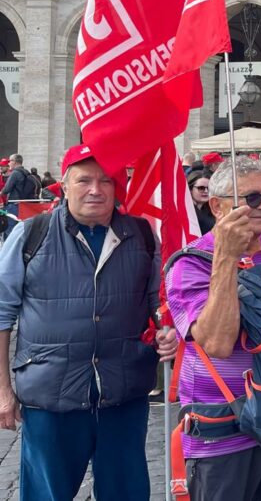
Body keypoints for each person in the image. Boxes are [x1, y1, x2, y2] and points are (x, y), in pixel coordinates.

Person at [0, 144, 177, 500]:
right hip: (51, 395)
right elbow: (2, 312)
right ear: (64, 186)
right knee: (46, 494)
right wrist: (3, 391)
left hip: (123, 394)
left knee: (125, 492)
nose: (95, 189)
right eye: (84, 180)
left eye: (105, 181)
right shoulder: (31, 234)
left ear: (116, 187)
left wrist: (166, 330)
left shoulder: (141, 235)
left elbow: (157, 304)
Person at [166, 157, 261, 500]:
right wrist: (226, 258)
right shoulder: (189, 263)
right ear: (217, 205)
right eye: (251, 198)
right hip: (221, 434)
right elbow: (217, 342)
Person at [2, 154, 39, 238]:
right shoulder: (26, 172)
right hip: (23, 204)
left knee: (10, 228)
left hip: (13, 204)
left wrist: (1, 193)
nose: (9, 163)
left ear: (15, 162)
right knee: (20, 228)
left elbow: (6, 189)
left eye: (10, 161)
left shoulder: (15, 173)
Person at [187, 170, 215, 235]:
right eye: (201, 188)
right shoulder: (187, 212)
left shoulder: (210, 209)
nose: (206, 191)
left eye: (209, 188)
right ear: (190, 189)